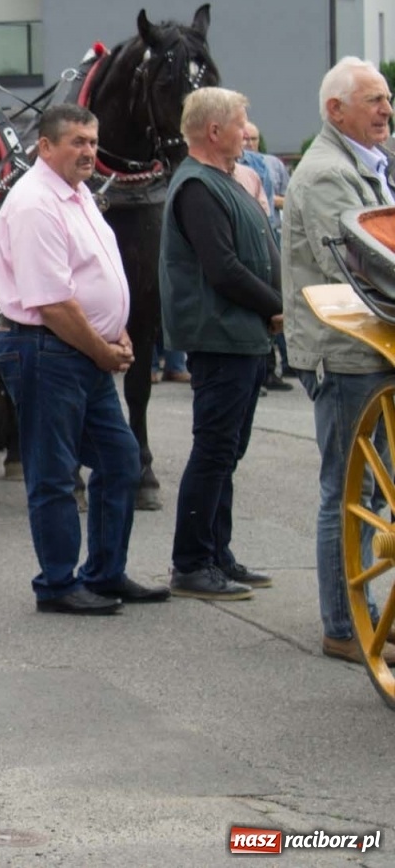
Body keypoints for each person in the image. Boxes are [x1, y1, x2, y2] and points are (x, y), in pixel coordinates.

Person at [0, 104, 169, 615]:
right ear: (45, 147)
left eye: (92, 141)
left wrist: (120, 335)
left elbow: (96, 277)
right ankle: (57, 584)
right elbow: (51, 302)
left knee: (121, 459)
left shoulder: (78, 195)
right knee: (53, 472)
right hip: (43, 348)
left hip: (82, 350)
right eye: (76, 142)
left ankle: (105, 573)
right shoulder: (34, 204)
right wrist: (104, 348)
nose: (88, 151)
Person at [281, 56, 395, 666]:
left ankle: (369, 617)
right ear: (336, 111)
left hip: (371, 344)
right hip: (349, 352)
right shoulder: (328, 173)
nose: (386, 109)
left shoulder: (367, 164)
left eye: (387, 99)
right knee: (347, 493)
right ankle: (345, 626)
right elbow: (356, 264)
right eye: (374, 100)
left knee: (372, 496)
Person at [159, 87, 281, 601]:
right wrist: (276, 305)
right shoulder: (197, 187)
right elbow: (222, 268)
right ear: (214, 131)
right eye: (240, 122)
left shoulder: (222, 180)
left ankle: (216, 552)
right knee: (213, 451)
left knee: (226, 452)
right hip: (222, 337)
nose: (247, 131)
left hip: (242, 337)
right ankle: (190, 562)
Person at [241, 120, 294, 392]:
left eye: (253, 138)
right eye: (244, 137)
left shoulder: (268, 164)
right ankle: (262, 371)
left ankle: (272, 370)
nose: (248, 142)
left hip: (271, 230)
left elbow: (278, 196)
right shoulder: (235, 167)